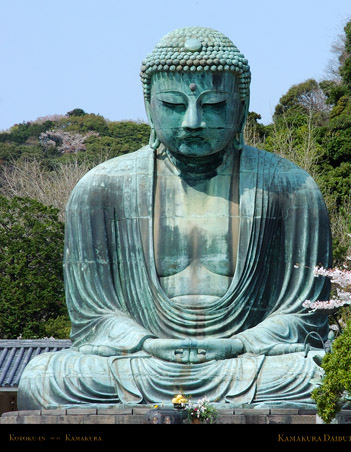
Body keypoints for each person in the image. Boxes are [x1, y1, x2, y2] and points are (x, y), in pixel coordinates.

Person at [18, 27, 332, 409]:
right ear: (148, 103)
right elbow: (93, 317)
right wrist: (147, 343)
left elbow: (304, 316)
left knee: (325, 377)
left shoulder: (290, 188)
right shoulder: (101, 189)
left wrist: (238, 343)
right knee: (44, 378)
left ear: (242, 103)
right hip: (142, 361)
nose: (193, 121)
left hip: (246, 361)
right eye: (173, 104)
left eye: (214, 104)